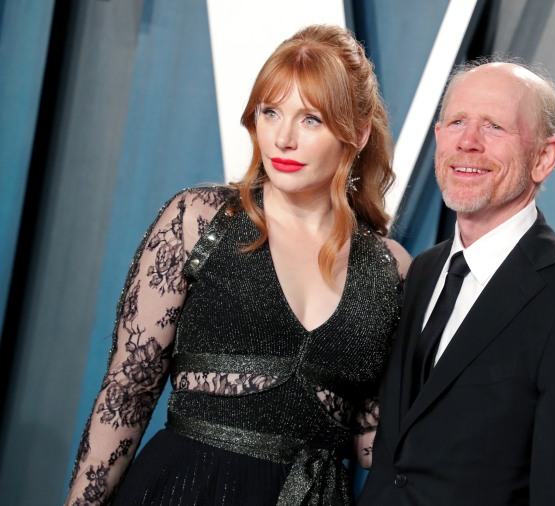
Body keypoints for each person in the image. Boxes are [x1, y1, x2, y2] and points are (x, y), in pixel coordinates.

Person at [65, 24, 411, 506]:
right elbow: (129, 392)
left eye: (310, 119)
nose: (283, 138)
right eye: (271, 112)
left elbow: (376, 439)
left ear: (357, 132)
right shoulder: (200, 219)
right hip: (183, 490)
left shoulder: (389, 268)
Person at [359, 58, 555, 505]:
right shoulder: (422, 273)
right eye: (456, 122)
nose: (468, 142)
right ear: (438, 139)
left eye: (494, 127)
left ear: (543, 158)